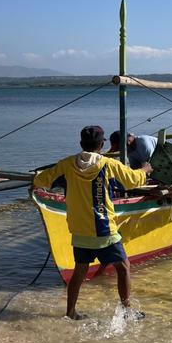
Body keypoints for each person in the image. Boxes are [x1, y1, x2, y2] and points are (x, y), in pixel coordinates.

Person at [33, 126, 152, 320]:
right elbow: (133, 181)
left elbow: (41, 179)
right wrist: (145, 170)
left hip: (79, 232)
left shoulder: (66, 164)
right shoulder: (108, 164)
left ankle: (70, 312)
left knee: (80, 271)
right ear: (101, 145)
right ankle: (127, 311)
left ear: (81, 144)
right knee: (124, 267)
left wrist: (34, 183)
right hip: (104, 230)